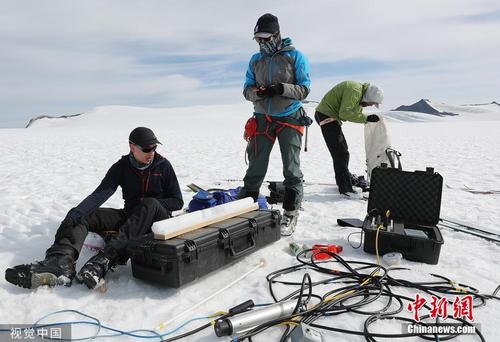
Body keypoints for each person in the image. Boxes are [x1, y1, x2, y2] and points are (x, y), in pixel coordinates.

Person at [5, 127, 184, 290]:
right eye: (146, 149)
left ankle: (105, 260)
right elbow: (101, 194)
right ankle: (60, 262)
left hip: (158, 221)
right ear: (132, 147)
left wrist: (149, 203)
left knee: (150, 204)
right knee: (83, 214)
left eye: (154, 148)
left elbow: (177, 201)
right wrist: (75, 214)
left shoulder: (163, 166)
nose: (151, 153)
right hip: (130, 216)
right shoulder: (121, 167)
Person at [238, 13, 311, 236]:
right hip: (262, 118)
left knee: (291, 167)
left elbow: (304, 89)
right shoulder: (255, 60)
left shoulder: (295, 56)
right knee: (256, 165)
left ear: (277, 35)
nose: (262, 42)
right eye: (258, 38)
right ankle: (246, 209)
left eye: (266, 37)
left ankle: (291, 210)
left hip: (289, 117)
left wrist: (281, 89)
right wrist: (257, 93)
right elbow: (246, 90)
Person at [315, 81, 384, 195]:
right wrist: (366, 118)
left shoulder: (358, 94)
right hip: (326, 116)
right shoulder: (354, 91)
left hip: (329, 116)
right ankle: (345, 188)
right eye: (372, 103)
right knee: (340, 153)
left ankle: (344, 180)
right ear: (368, 97)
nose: (371, 105)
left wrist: (366, 118)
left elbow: (354, 113)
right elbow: (345, 113)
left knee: (342, 151)